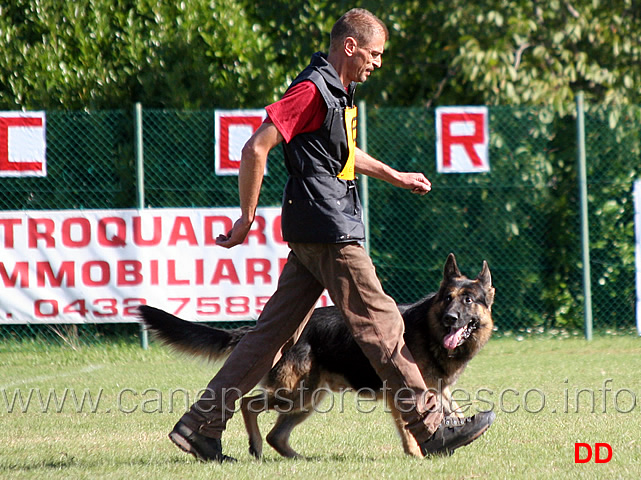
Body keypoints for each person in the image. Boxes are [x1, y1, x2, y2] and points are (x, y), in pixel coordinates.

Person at [168, 8, 495, 462]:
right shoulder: (311, 90)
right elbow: (255, 147)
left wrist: (393, 175)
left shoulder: (339, 93)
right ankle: (432, 427)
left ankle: (200, 427)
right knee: (384, 324)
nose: (377, 63)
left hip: (313, 229)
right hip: (329, 229)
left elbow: (342, 153)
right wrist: (245, 219)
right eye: (374, 53)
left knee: (268, 338)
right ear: (349, 46)